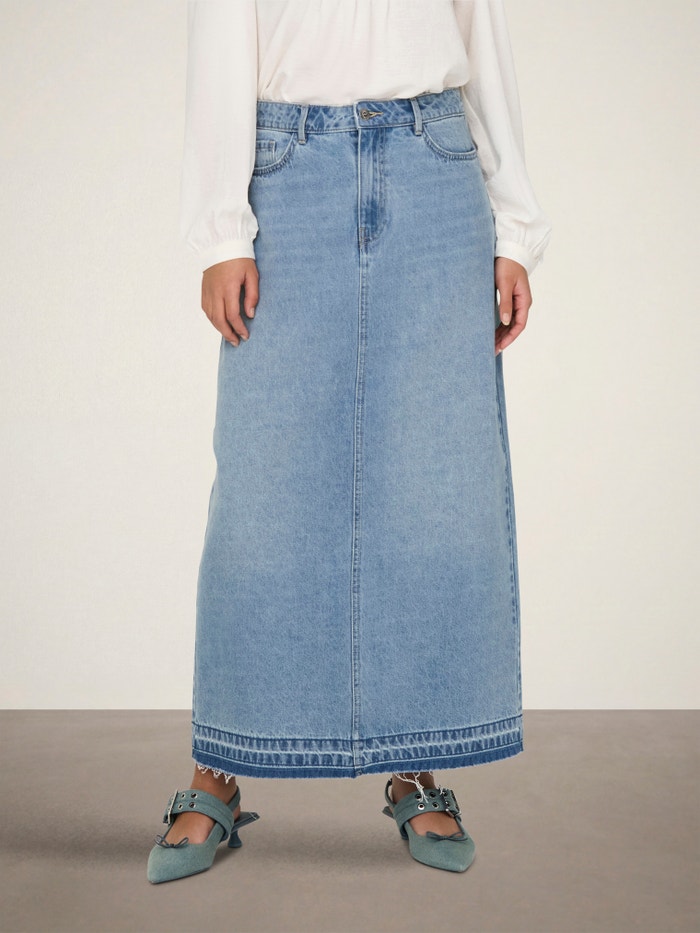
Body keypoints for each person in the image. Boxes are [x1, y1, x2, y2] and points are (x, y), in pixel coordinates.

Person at [147, 0, 551, 884]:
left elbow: (481, 34)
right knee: (263, 487)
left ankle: (417, 763)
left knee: (432, 478)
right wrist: (221, 227)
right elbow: (221, 37)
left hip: (435, 166)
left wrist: (515, 225)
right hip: (288, 172)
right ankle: (217, 769)